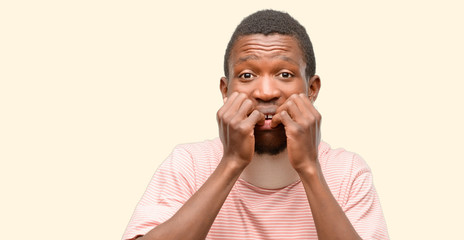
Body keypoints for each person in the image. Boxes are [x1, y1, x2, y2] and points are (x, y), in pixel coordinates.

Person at [123, 9, 389, 240]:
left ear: (312, 89)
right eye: (247, 75)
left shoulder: (348, 172)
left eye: (284, 74)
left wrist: (309, 168)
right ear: (225, 90)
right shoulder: (189, 164)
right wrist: (231, 162)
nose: (265, 92)